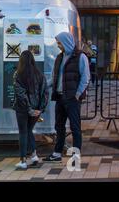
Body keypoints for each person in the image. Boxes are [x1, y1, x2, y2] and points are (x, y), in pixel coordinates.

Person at [43, 32, 90, 163]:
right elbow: (54, 77)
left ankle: (76, 156)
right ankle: (57, 154)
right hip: (59, 97)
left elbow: (86, 78)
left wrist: (77, 95)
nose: (58, 46)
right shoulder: (59, 57)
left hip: (72, 98)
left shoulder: (80, 57)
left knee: (75, 127)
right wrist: (44, 86)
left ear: (66, 42)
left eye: (59, 43)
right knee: (59, 126)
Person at [12, 50, 49, 170]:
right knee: (28, 130)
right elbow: (45, 93)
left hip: (23, 109)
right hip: (36, 110)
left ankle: (23, 161)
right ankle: (34, 156)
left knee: (23, 132)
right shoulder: (40, 74)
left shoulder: (18, 74)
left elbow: (21, 95)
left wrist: (29, 109)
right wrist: (40, 109)